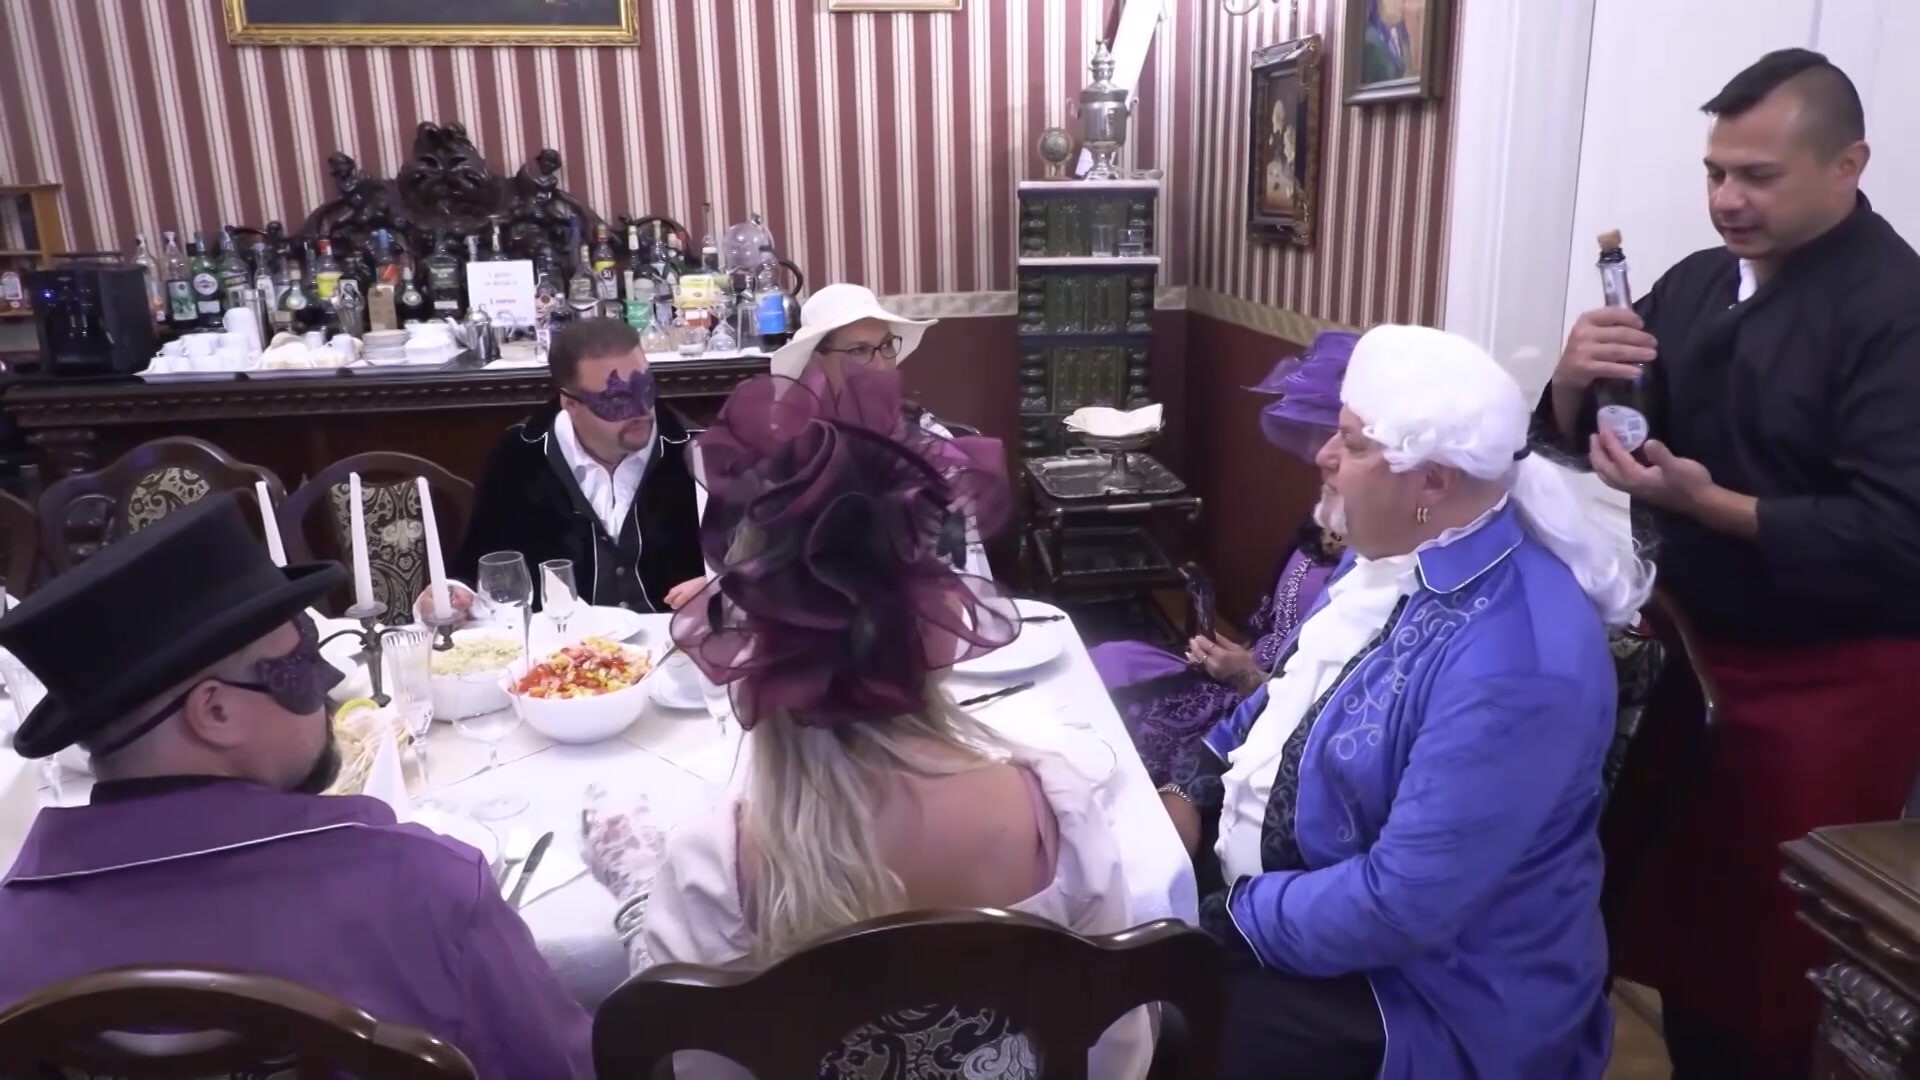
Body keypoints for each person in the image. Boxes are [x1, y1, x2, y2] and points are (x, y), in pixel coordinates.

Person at [587, 365, 1153, 1079]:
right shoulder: (1056, 816)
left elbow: (699, 1070)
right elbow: (1119, 1055)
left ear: (760, 634)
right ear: (933, 617)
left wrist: (640, 902)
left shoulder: (718, 870)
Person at [1533, 48, 1920, 1078]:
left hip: (1830, 683)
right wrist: (1572, 381)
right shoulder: (1700, 283)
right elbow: (1610, 427)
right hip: (1689, 656)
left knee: (1773, 971)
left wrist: (1715, 507)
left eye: (1758, 176)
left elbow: (1897, 532)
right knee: (1667, 926)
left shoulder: (1897, 308)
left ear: (1848, 165)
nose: (1727, 199)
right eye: (1716, 172)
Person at [1162, 325, 1652, 1080]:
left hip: (1438, 994)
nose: (1326, 456)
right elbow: (1284, 700)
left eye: (1355, 443)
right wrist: (1189, 790)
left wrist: (1219, 921)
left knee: (1166, 1022)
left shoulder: (1517, 661)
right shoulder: (1393, 552)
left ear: (1433, 482)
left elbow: (1399, 906)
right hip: (1311, 908)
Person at [0, 495, 592, 1077]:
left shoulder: (10, 939)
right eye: (301, 664)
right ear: (216, 713)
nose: (329, 682)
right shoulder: (425, 893)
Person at [1092, 330, 1354, 785]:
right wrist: (1241, 653)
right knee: (1110, 659)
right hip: (1243, 674)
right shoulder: (1325, 519)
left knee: (1122, 726)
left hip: (1264, 714)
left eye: (1347, 441)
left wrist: (1247, 675)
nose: (1321, 455)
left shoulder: (1378, 574)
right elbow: (1276, 625)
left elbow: (1323, 711)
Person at [442, 317, 705, 618]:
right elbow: (476, 568)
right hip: (558, 640)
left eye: (645, 388)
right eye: (616, 398)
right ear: (570, 404)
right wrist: (452, 595)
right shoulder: (520, 454)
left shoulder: (698, 452)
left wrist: (718, 585)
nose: (641, 410)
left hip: (676, 638)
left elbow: (743, 566)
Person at [769, 282, 994, 579]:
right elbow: (762, 558)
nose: (880, 364)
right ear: (818, 360)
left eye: (886, 346)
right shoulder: (792, 443)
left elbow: (962, 565)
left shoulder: (930, 442)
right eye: (859, 350)